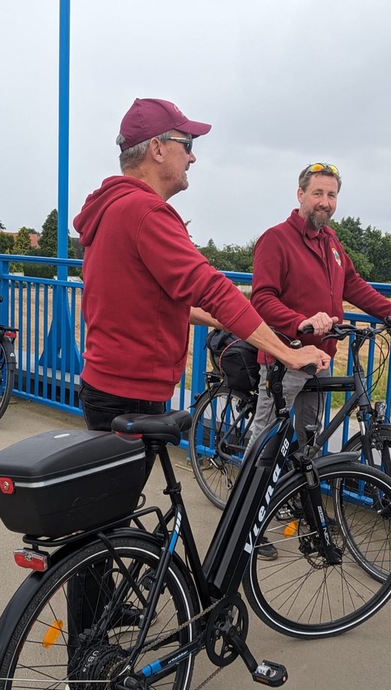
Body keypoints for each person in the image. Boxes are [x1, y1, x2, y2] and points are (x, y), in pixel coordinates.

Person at [74, 98, 331, 478]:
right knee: (116, 508)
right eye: (187, 145)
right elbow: (211, 287)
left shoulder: (113, 207)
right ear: (157, 149)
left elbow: (147, 300)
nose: (192, 157)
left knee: (112, 504)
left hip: (105, 385)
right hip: (131, 395)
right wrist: (287, 353)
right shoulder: (146, 212)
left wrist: (224, 320)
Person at [248, 162, 391, 508]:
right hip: (285, 357)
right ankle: (247, 512)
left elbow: (353, 284)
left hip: (322, 359)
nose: (325, 202)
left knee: (309, 439)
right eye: (318, 193)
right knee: (265, 441)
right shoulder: (276, 239)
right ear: (300, 195)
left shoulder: (332, 242)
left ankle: (299, 503)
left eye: (332, 195)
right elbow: (262, 299)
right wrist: (301, 321)